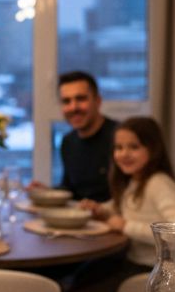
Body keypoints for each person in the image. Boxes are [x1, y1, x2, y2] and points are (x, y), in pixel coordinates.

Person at [62, 116, 175, 292]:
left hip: (151, 271)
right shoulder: (135, 181)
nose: (124, 154)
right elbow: (120, 206)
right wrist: (100, 210)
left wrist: (125, 225)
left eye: (134, 147)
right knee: (75, 281)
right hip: (130, 262)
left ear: (153, 149)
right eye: (118, 148)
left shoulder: (159, 183)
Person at [31, 71, 118, 201]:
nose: (73, 107)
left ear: (98, 101)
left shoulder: (120, 138)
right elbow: (70, 190)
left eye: (81, 99)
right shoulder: (68, 142)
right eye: (66, 101)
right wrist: (48, 192)